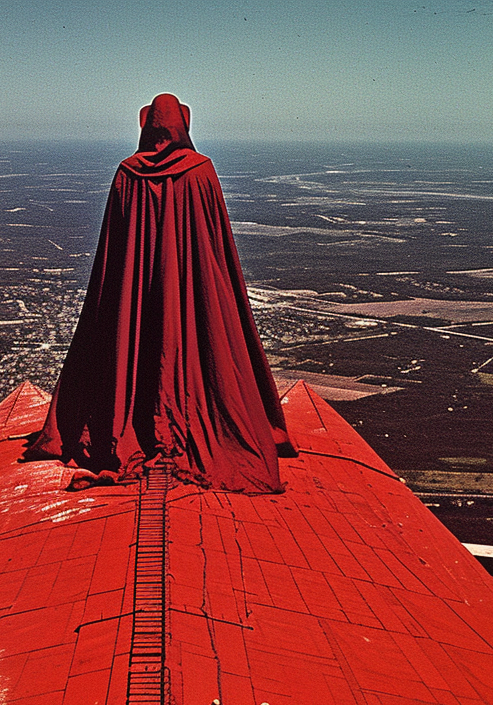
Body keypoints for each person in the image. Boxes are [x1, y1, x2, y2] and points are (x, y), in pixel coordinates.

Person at [26, 93, 294, 493]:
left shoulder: (126, 173)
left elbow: (115, 253)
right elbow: (214, 244)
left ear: (146, 125)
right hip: (190, 290)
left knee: (134, 347)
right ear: (182, 125)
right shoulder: (201, 171)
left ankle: (132, 427)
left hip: (134, 297)